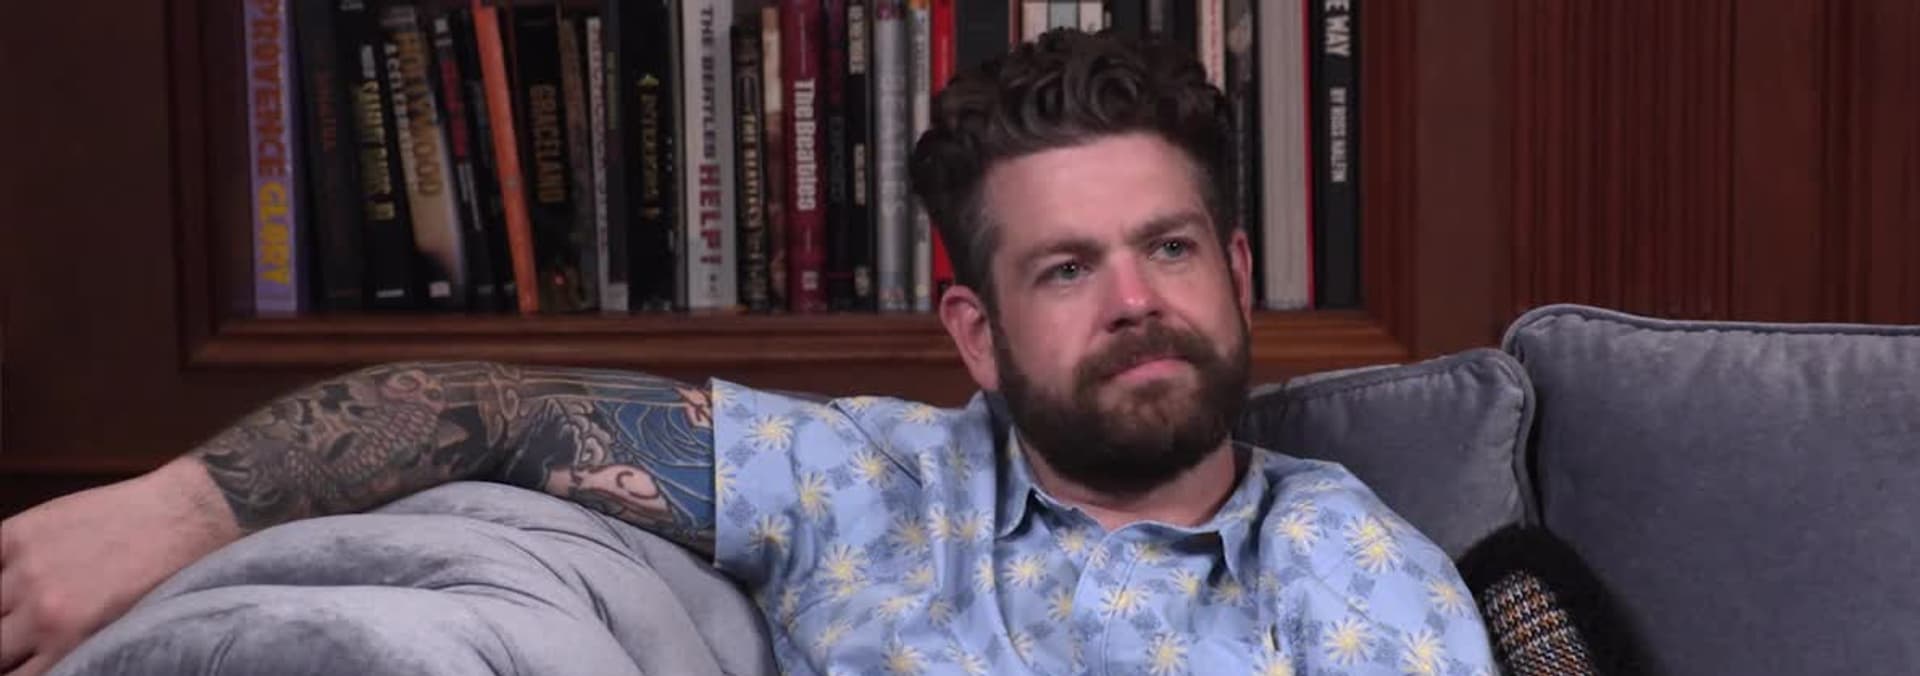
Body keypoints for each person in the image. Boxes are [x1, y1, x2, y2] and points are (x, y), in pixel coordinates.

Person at [0, 29, 1494, 676]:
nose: (1134, 302)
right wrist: (171, 512)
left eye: (1169, 248)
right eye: (1065, 267)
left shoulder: (1353, 572)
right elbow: (483, 410)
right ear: (975, 334)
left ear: (1237, 274)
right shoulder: (850, 482)